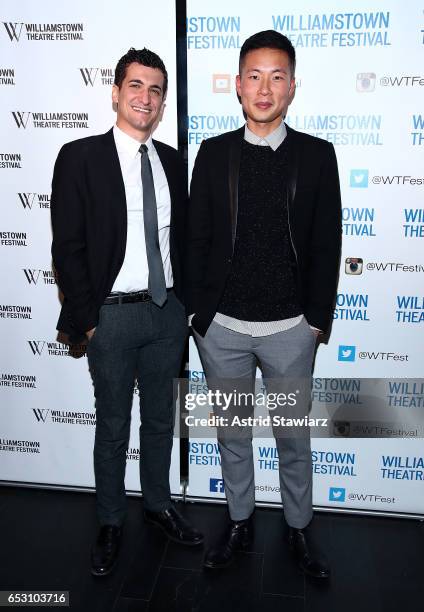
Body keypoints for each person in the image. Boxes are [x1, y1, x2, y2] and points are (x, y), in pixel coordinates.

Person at [186, 30, 341, 578]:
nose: (265, 87)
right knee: (231, 436)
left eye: (277, 76)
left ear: (292, 87)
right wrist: (197, 316)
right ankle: (239, 519)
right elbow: (194, 239)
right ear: (237, 84)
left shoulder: (318, 157)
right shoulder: (213, 153)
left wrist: (316, 322)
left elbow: (327, 244)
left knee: (293, 440)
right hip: (221, 330)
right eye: (254, 75)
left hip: (290, 332)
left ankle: (299, 529)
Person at [51, 47, 203, 577]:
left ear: (162, 102)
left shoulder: (174, 162)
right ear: (116, 92)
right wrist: (88, 316)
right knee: (113, 425)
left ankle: (159, 505)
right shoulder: (79, 156)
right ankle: (111, 521)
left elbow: (184, 239)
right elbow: (67, 246)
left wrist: (187, 307)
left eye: (156, 89)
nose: (146, 97)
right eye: (136, 86)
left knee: (162, 421)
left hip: (167, 314)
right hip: (110, 318)